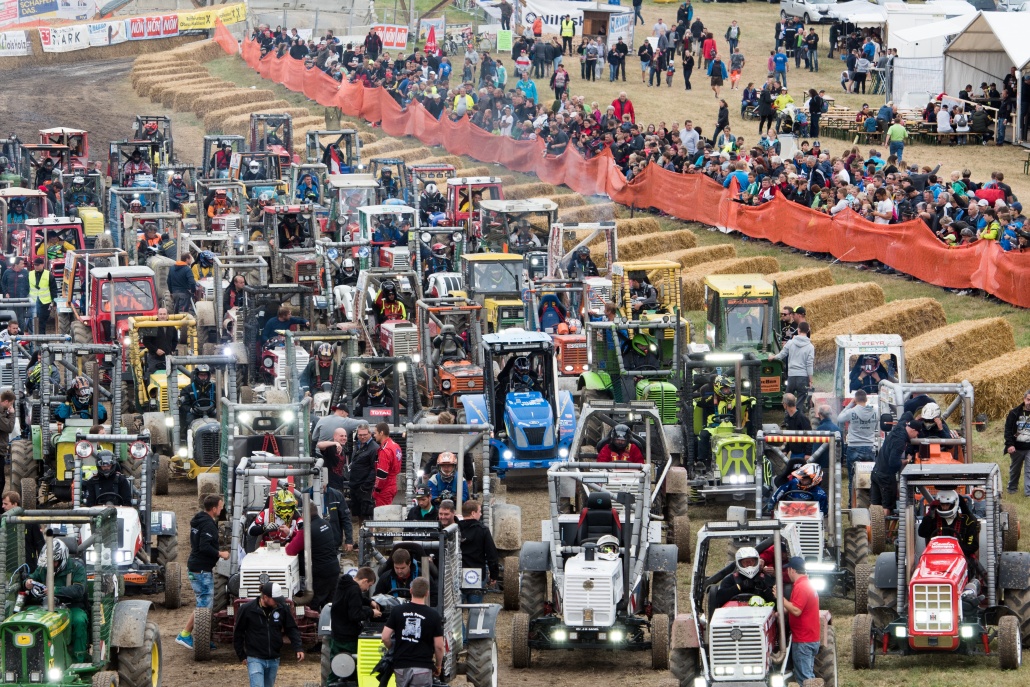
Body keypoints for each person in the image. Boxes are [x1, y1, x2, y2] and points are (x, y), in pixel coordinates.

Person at [177, 495, 229, 648]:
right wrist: (220, 553)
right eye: (220, 507)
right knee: (204, 604)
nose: (221, 509)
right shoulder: (208, 525)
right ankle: (185, 634)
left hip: (196, 566)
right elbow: (204, 546)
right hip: (201, 569)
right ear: (214, 508)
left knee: (204, 602)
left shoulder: (199, 520)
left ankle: (202, 639)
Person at [25, 540, 88, 662]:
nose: (51, 565)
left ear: (62, 559)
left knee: (79, 620)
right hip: (45, 606)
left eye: (54, 562)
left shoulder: (77, 568)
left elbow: (78, 590)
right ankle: (33, 658)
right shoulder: (43, 568)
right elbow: (32, 577)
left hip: (72, 606)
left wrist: (55, 590)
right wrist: (27, 582)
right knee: (28, 618)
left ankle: (78, 658)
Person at [234, 581, 304, 687]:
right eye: (275, 600)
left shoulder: (282, 608)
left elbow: (291, 628)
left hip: (274, 658)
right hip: (255, 658)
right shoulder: (247, 609)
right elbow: (238, 633)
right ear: (265, 597)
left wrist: (298, 647)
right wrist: (241, 655)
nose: (277, 602)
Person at [381, 576, 445, 687]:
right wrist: (439, 666)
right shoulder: (434, 615)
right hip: (423, 667)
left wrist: (395, 649)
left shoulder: (397, 610)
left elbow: (385, 637)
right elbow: (439, 646)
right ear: (427, 593)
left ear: (411, 590)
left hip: (401, 665)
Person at [285, 509, 340, 610]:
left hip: (320, 573)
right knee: (329, 605)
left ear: (304, 514)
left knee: (313, 605)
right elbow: (312, 537)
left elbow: (290, 550)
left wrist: (288, 545)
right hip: (333, 569)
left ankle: (314, 620)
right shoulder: (325, 524)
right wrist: (291, 533)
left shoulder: (307, 529)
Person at [917, 489, 980, 577]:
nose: (944, 507)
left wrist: (953, 551)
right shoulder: (932, 520)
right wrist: (929, 515)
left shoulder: (967, 521)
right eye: (942, 504)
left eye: (947, 504)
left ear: (954, 504)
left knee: (971, 566)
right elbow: (922, 533)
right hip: (935, 561)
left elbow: (973, 546)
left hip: (961, 560)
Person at [782, 557, 820, 685]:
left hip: (803, 640)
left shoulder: (801, 587)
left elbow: (797, 610)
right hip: (810, 638)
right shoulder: (806, 584)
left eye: (788, 570)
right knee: (808, 676)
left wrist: (781, 599)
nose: (787, 573)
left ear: (792, 570)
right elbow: (798, 606)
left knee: (805, 679)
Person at [871, 413, 917, 520]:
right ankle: (884, 529)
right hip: (886, 476)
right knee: (887, 507)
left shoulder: (897, 430)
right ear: (912, 430)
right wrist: (907, 460)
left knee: (875, 505)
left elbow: (905, 416)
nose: (916, 436)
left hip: (876, 471)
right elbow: (893, 463)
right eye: (917, 434)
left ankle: (873, 527)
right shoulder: (900, 441)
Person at [330, 567, 381, 654]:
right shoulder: (355, 590)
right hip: (348, 638)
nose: (367, 589)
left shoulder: (344, 584)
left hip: (336, 633)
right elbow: (355, 615)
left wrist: (369, 602)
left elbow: (350, 598)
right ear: (365, 581)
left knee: (336, 659)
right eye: (369, 585)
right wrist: (372, 612)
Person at [457, 500, 500, 602]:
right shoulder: (482, 530)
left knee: (456, 607)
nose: (480, 514)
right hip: (476, 575)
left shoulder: (455, 529)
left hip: (458, 573)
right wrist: (494, 575)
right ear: (473, 513)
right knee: (475, 607)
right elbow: (491, 554)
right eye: (479, 511)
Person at [838, 389, 878, 484]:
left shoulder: (851, 411)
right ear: (866, 399)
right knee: (870, 479)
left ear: (855, 400)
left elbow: (839, 418)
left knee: (852, 479)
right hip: (870, 446)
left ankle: (853, 494)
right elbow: (876, 427)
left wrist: (850, 404)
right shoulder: (875, 412)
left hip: (854, 447)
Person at [771, 320, 813, 407]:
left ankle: (788, 414)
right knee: (801, 400)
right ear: (808, 330)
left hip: (791, 376)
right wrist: (810, 380)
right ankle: (798, 413)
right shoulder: (810, 347)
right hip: (803, 376)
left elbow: (781, 355)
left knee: (787, 400)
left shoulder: (790, 343)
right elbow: (809, 364)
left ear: (798, 330)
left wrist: (773, 357)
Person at [2, 491, 44, 570]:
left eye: (6, 504)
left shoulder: (30, 521)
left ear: (15, 504)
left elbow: (40, 545)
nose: (3, 506)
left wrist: (41, 569)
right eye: (3, 503)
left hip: (29, 567)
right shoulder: (4, 522)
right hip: (9, 568)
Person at [348, 422, 379, 524]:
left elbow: (374, 469)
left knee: (367, 514)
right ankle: (361, 531)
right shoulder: (357, 445)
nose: (362, 437)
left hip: (365, 488)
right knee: (358, 513)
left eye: (365, 435)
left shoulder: (374, 448)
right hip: (355, 485)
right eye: (360, 435)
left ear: (370, 434)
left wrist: (365, 487)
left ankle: (368, 532)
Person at [179, 364, 216, 439]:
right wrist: (191, 409)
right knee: (188, 419)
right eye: (201, 375)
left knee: (222, 418)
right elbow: (184, 405)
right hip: (195, 413)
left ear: (208, 376)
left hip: (212, 412)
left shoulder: (216, 388)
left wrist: (216, 409)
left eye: (205, 375)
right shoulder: (187, 389)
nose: (203, 377)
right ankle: (187, 438)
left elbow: (222, 402)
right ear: (196, 375)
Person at [1004, 390, 1030, 495]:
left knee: (1029, 471)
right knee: (1015, 470)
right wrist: (1010, 445)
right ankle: (1012, 488)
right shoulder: (1014, 413)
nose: (1029, 403)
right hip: (1017, 447)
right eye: (1028, 400)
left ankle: (1028, 493)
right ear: (1024, 399)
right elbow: (1008, 430)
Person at [142, 307, 178, 378]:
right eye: (160, 314)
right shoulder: (152, 326)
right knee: (154, 378)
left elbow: (175, 340)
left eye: (164, 314)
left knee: (170, 377)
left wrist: (172, 350)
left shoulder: (172, 327)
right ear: (157, 315)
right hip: (154, 358)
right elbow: (146, 341)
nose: (162, 316)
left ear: (167, 315)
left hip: (168, 358)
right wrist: (156, 350)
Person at [373, 422, 402, 507]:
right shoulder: (396, 446)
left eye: (375, 433)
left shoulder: (385, 450)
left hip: (385, 487)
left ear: (381, 433)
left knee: (382, 513)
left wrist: (377, 490)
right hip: (393, 483)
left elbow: (382, 474)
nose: (374, 435)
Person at [28, 257, 56, 334]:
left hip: (45, 302)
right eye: (35, 265)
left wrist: (54, 302)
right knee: (31, 320)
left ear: (42, 265)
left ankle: (41, 337)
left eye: (37, 265)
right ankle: (32, 337)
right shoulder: (30, 274)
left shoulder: (48, 275)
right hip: (33, 301)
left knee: (42, 321)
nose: (36, 266)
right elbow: (26, 287)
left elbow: (53, 289)